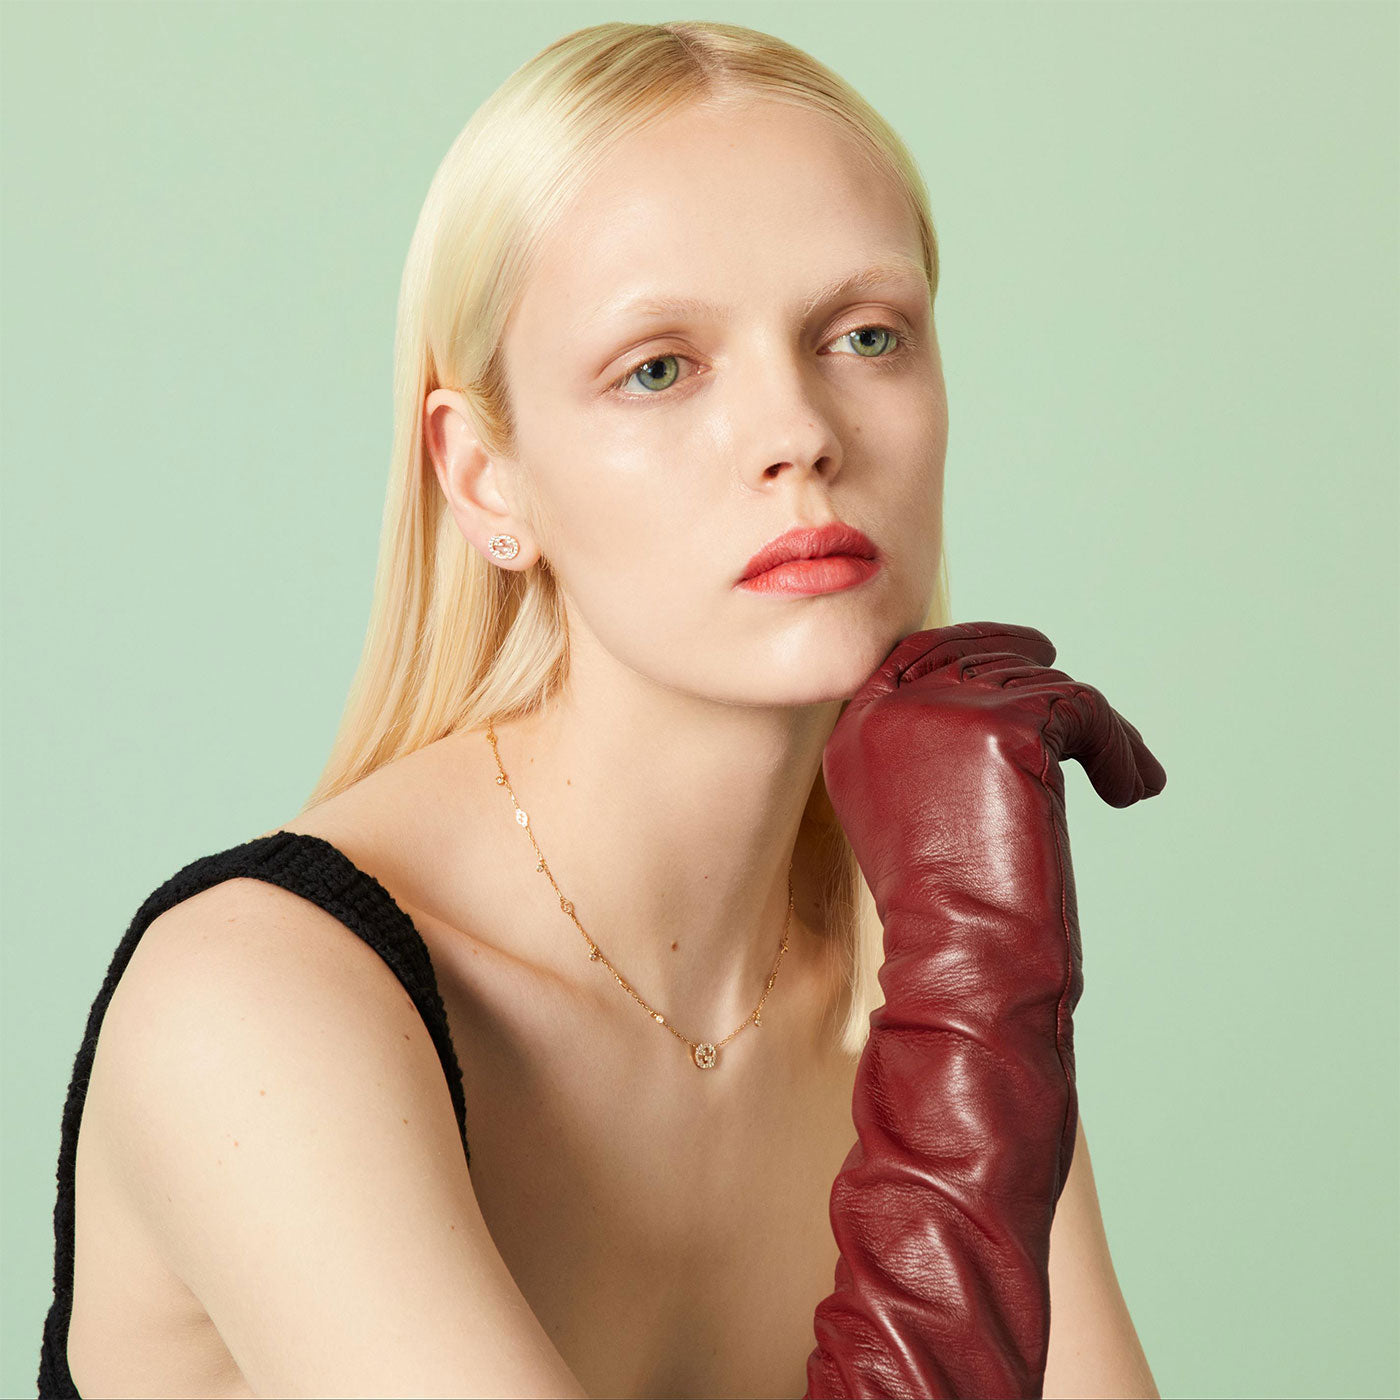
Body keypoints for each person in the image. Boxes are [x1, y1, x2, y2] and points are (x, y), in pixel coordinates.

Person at [38, 20, 1161, 1399]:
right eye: (660, 367)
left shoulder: (914, 966)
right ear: (486, 477)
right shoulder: (257, 1007)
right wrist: (979, 1005)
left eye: (864, 334)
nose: (798, 430)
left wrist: (983, 992)